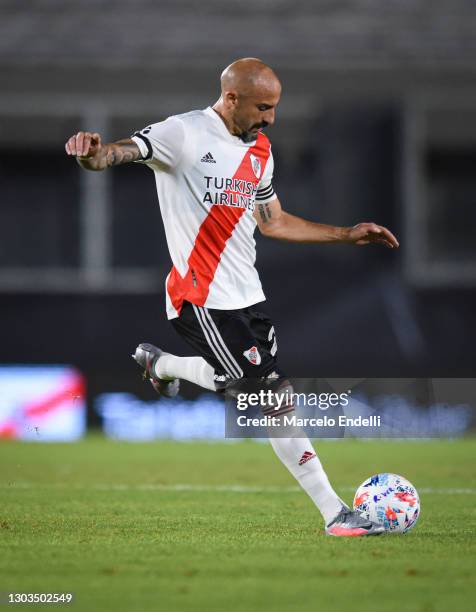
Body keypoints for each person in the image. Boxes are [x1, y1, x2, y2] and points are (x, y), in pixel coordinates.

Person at [65, 58, 398, 537]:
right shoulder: (182, 134)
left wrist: (346, 234)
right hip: (199, 297)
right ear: (232, 98)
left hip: (248, 298)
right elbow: (111, 155)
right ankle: (334, 513)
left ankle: (161, 366)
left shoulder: (260, 151)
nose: (271, 119)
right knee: (273, 395)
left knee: (235, 381)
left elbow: (273, 221)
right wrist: (88, 153)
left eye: (276, 108)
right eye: (264, 107)